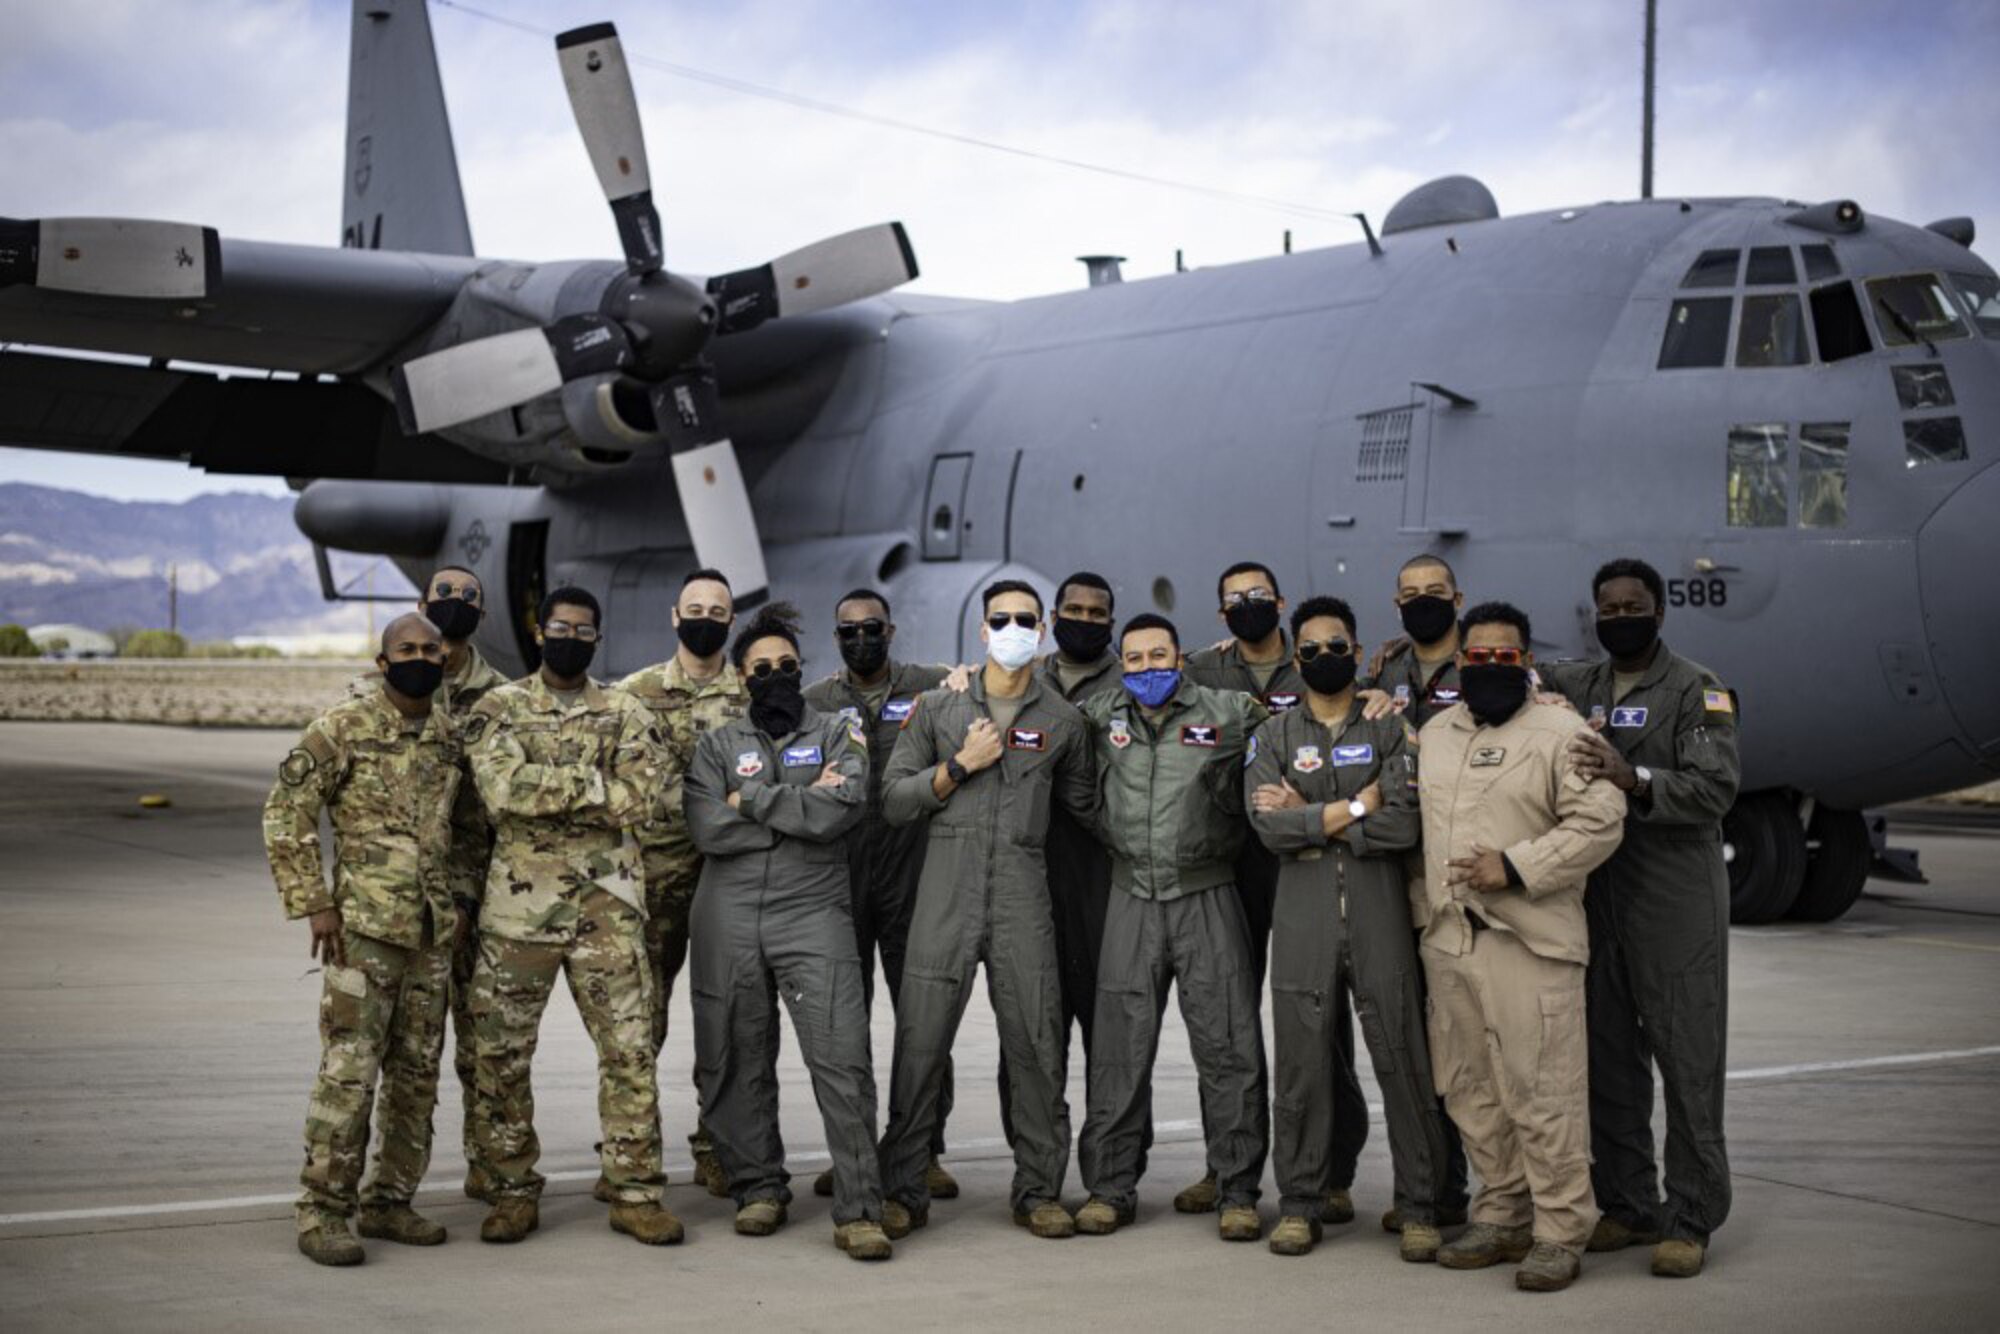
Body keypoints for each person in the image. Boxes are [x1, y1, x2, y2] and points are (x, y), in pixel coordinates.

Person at [1537, 558, 1740, 1279]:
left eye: (1634, 605)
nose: (1620, 615)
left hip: (1674, 901)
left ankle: (1689, 1217)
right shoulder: (1580, 684)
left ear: (1659, 612)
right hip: (1600, 899)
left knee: (1687, 1065)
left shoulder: (1696, 688)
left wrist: (1633, 776)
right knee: (1610, 1064)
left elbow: (1715, 787)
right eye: (1608, 606)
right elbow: (1518, 679)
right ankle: (1628, 1204)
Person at [1416, 601, 1626, 1292]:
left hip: (1529, 942)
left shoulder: (1563, 734)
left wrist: (1514, 867)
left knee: (1543, 1092)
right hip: (1450, 940)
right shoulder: (1436, 733)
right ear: (1460, 664)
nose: (1489, 669)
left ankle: (1561, 1228)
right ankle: (1501, 1211)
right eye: (1476, 658)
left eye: (1504, 657)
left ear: (1528, 662)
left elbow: (1599, 824)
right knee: (1470, 1089)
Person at [877, 579, 1096, 1240]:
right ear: (981, 631)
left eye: (1024, 619)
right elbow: (893, 800)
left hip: (1022, 892)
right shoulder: (939, 710)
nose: (1011, 628)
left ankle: (1039, 1189)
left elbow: (1088, 806)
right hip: (945, 888)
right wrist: (959, 766)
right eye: (999, 618)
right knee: (921, 1040)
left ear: (1043, 630)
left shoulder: (1062, 722)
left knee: (1035, 1039)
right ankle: (904, 1186)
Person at [463, 586, 681, 1247]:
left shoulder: (624, 709)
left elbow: (641, 796)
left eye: (583, 631)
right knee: (500, 1055)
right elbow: (499, 791)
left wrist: (547, 790)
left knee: (630, 1054)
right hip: (520, 915)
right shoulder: (497, 707)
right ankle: (510, 1190)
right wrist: (593, 787)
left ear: (597, 640)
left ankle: (635, 1191)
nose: (570, 638)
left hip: (605, 909)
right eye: (560, 627)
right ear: (539, 631)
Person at [1245, 596, 1452, 1261]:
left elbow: (1404, 825)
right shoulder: (1274, 736)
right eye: (1310, 649)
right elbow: (1268, 827)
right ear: (1294, 657)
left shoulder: (1389, 728)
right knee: (1301, 1067)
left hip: (1378, 914)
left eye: (1338, 646)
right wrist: (1358, 804)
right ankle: (1300, 1204)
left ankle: (1419, 1205)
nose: (1324, 658)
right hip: (1302, 918)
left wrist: (1315, 815)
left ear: (1358, 652)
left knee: (1403, 1059)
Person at [683, 603, 892, 1260]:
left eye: (786, 667)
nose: (775, 676)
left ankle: (859, 1208)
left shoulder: (839, 728)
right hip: (729, 914)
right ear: (741, 677)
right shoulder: (716, 744)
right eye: (761, 669)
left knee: (842, 1059)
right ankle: (758, 1188)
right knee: (734, 1055)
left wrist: (750, 800)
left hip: (814, 910)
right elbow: (705, 827)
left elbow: (844, 808)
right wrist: (799, 804)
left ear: (802, 671)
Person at [265, 613, 462, 1266]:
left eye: (431, 649)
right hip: (363, 932)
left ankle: (391, 1201)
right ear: (382, 662)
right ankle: (322, 1211)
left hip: (431, 935)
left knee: (416, 1077)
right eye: (406, 649)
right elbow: (285, 809)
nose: (420, 658)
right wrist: (313, 901)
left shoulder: (445, 733)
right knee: (349, 1074)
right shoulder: (341, 727)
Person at [1073, 614, 1270, 1242]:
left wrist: (1374, 704)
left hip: (1206, 892)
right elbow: (1036, 728)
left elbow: (1301, 729)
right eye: (1134, 659)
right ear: (1120, 664)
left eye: (1159, 655)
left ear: (1179, 657)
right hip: (1130, 892)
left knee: (1229, 1046)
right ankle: (1110, 1187)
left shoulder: (1231, 710)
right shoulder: (1098, 714)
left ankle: (1235, 1188)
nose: (1147, 668)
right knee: (1117, 1052)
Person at [1184, 560, 1368, 1223]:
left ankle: (1336, 1168)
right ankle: (1224, 1165)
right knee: (1227, 1025)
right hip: (1228, 865)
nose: (1248, 606)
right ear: (1220, 612)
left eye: (1259, 596)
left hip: (1303, 864)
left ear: (1281, 603)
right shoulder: (1200, 671)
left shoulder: (1317, 665)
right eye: (1234, 598)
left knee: (1322, 1022)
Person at [348, 565, 513, 1203]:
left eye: (467, 596)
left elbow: (478, 820)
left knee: (481, 1042)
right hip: (391, 908)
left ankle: (487, 1167)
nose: (453, 604)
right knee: (383, 1055)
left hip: (475, 902)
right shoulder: (368, 704)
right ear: (421, 604)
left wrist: (469, 896)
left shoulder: (498, 699)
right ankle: (362, 1189)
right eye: (442, 594)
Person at [801, 589, 956, 1201]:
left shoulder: (933, 686)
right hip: (839, 878)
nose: (860, 637)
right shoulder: (816, 702)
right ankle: (855, 1152)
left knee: (923, 1021)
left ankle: (922, 1150)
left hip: (910, 874)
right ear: (836, 638)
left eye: (871, 627)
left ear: (890, 631)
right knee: (843, 1026)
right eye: (848, 630)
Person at [615, 568, 748, 1198]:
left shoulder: (752, 695)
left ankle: (716, 1147)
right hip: (655, 883)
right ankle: (629, 1151)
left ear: (731, 619)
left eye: (717, 610)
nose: (704, 617)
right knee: (641, 1025)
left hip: (729, 881)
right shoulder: (633, 695)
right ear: (675, 616)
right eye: (693, 607)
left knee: (726, 1022)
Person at [1359, 553, 1473, 1234]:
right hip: (1403, 878)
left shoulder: (1489, 666)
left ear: (1458, 598)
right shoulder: (1385, 671)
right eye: (1410, 594)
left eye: (1435, 593)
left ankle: (1503, 1197)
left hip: (1467, 874)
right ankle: (1430, 1190)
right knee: (1413, 1046)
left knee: (1469, 1045)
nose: (1422, 602)